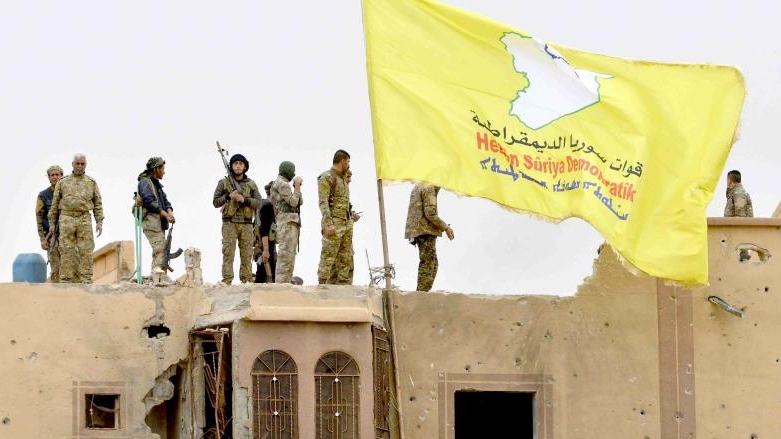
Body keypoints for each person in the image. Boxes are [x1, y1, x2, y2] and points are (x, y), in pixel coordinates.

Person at [48, 154, 104, 283]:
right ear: (72, 164)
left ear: (85, 165)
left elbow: (98, 203)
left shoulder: (91, 183)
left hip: (84, 218)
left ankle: (86, 279)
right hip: (66, 217)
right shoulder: (63, 182)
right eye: (77, 164)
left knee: (86, 249)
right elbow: (55, 204)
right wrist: (52, 223)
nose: (79, 166)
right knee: (66, 249)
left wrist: (99, 221)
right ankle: (66, 279)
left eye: (82, 164)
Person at [212, 153, 261, 284]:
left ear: (245, 167)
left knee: (246, 255)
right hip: (229, 223)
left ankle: (246, 281)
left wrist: (244, 199)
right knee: (228, 254)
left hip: (246, 224)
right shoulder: (224, 182)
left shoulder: (251, 184)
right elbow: (216, 202)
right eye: (235, 164)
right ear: (231, 166)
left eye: (240, 164)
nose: (238, 166)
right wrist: (228, 196)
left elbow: (259, 202)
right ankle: (227, 282)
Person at [317, 149, 358, 285]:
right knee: (328, 256)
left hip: (346, 223)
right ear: (343, 161)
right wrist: (329, 223)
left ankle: (343, 287)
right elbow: (323, 202)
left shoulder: (343, 179)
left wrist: (351, 218)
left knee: (345, 258)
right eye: (348, 162)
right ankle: (322, 286)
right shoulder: (327, 177)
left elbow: (343, 203)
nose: (348, 165)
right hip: (334, 223)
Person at [404, 183, 454, 292]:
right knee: (429, 263)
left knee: (430, 262)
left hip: (418, 230)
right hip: (424, 231)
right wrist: (445, 227)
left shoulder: (420, 185)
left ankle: (422, 292)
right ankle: (421, 293)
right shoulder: (429, 187)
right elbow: (430, 213)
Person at [136, 157, 175, 275]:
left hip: (160, 224)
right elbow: (149, 202)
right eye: (162, 168)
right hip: (151, 223)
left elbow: (165, 201)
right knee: (160, 250)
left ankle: (160, 278)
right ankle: (158, 279)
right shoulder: (145, 183)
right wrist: (165, 214)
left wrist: (170, 212)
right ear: (156, 169)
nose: (164, 171)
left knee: (163, 251)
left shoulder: (156, 184)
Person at [270, 161, 303, 284]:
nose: (293, 173)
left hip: (286, 222)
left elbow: (299, 202)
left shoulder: (279, 183)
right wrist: (298, 187)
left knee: (289, 256)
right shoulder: (283, 184)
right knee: (285, 257)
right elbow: (294, 202)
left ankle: (286, 284)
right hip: (287, 223)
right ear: (287, 170)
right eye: (292, 171)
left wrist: (296, 188)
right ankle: (281, 286)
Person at [328, 168, 360, 284]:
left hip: (346, 237)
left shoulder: (345, 195)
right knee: (336, 267)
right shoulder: (334, 192)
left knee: (348, 266)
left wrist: (352, 215)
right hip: (338, 235)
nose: (350, 180)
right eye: (348, 177)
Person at [36, 165, 63, 282]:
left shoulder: (67, 193)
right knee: (55, 269)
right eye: (52, 175)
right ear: (49, 177)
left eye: (57, 174)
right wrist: (43, 239)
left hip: (68, 236)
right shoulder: (43, 195)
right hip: (52, 237)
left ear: (62, 176)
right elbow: (39, 218)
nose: (55, 177)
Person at [724, 169, 753, 261]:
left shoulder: (739, 193)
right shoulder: (734, 193)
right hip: (737, 241)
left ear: (729, 180)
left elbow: (739, 218)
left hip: (740, 242)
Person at [254, 181, 277, 283]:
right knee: (266, 274)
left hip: (263, 244)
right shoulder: (268, 206)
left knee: (266, 273)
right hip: (265, 244)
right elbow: (264, 229)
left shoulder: (263, 204)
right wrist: (266, 249)